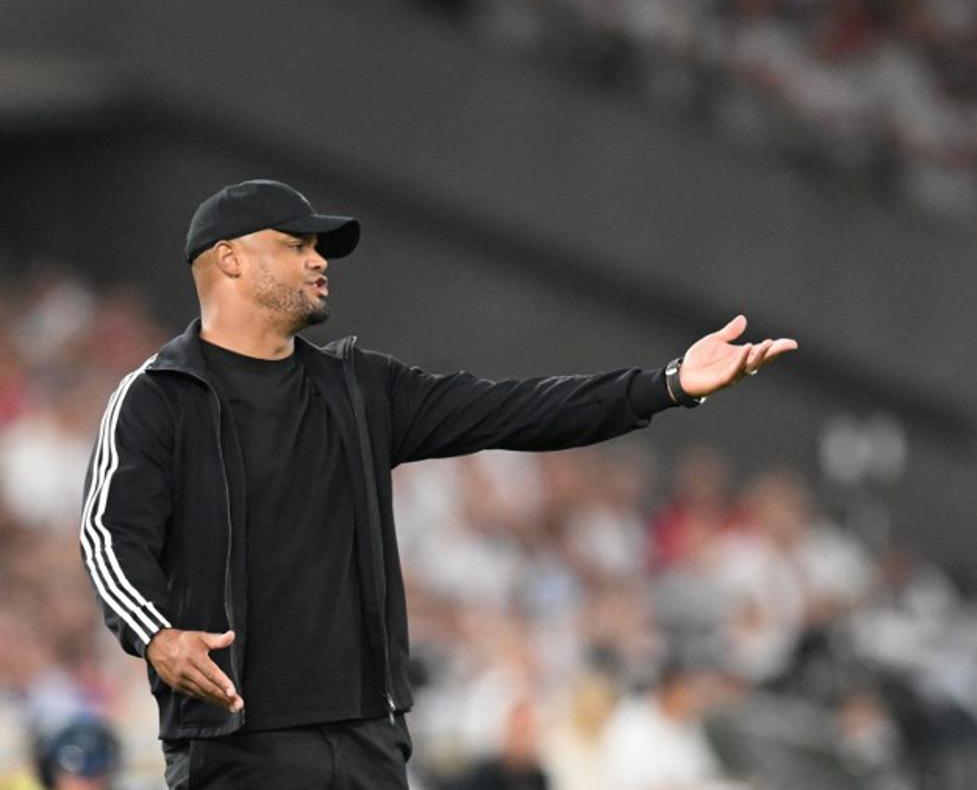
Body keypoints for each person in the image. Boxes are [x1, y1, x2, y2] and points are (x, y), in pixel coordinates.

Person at [77, 179, 796, 789]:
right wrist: (157, 636)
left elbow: (517, 410)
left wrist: (668, 384)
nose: (318, 259)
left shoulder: (361, 389)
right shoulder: (159, 396)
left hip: (366, 740)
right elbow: (108, 535)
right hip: (237, 744)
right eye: (296, 245)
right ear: (228, 260)